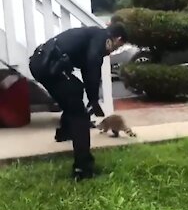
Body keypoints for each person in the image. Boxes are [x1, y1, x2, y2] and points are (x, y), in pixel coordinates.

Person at [29, 23, 128, 180]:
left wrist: (93, 99)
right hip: (49, 65)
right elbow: (92, 67)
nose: (114, 51)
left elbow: (88, 70)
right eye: (118, 46)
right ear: (117, 39)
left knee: (74, 92)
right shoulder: (100, 38)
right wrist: (93, 100)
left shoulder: (93, 35)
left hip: (42, 62)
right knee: (80, 116)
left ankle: (64, 133)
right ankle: (83, 169)